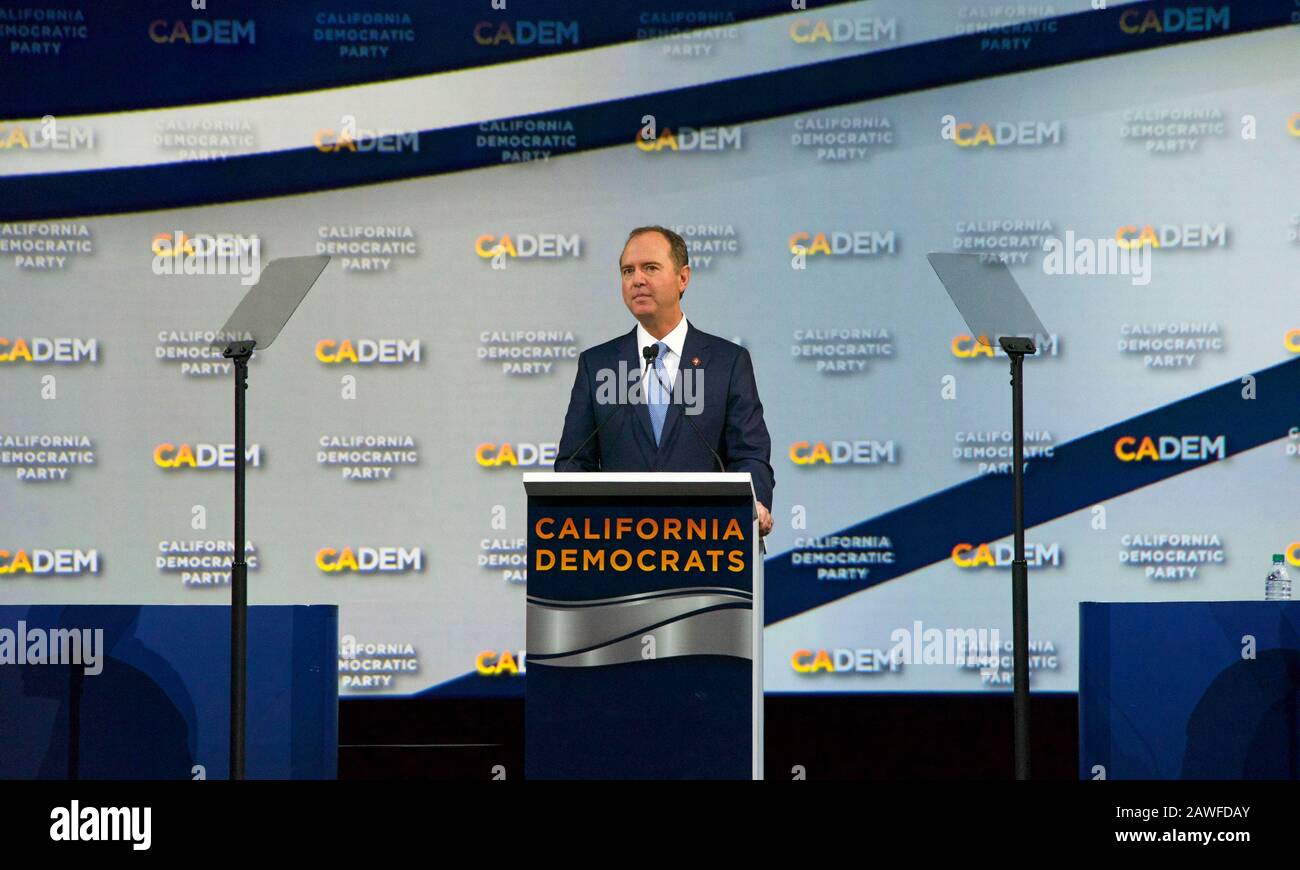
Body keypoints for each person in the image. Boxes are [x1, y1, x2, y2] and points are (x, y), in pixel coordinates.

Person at [556, 225, 774, 535]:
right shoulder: (598, 365)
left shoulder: (727, 362)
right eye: (627, 271)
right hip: (617, 550)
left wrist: (757, 502)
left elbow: (749, 454)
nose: (637, 279)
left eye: (650, 268)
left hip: (707, 546)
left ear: (683, 277)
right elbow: (573, 463)